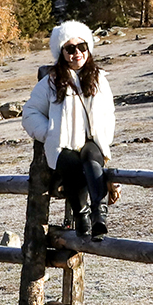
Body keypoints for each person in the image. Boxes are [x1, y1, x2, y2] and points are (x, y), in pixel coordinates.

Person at [21, 20, 116, 237]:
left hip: (92, 141)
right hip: (63, 145)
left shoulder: (100, 79)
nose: (77, 53)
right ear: (61, 52)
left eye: (81, 47)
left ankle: (99, 217)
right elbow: (30, 113)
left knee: (92, 160)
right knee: (72, 166)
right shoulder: (52, 82)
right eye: (70, 49)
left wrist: (105, 136)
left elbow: (109, 113)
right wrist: (50, 132)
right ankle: (81, 218)